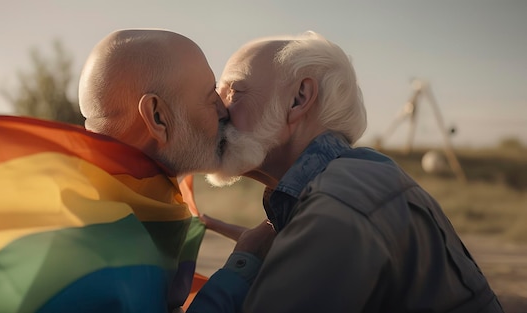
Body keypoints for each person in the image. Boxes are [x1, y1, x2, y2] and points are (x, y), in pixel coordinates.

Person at [191, 31, 504, 312]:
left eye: (233, 90)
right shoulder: (357, 180)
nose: (217, 109)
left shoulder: (337, 208)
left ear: (299, 99)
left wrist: (243, 266)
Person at [79, 29, 274, 312]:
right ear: (158, 117)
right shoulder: (99, 235)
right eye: (210, 97)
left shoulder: (131, 207)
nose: (224, 111)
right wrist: (245, 262)